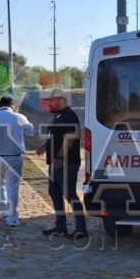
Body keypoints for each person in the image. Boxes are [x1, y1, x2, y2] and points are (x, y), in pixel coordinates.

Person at [36, 89, 87, 239]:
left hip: (66, 163)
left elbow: (71, 137)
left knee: (70, 195)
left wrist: (58, 157)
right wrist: (45, 147)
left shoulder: (69, 116)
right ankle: (60, 226)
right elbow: (55, 136)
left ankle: (81, 229)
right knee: (55, 193)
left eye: (51, 100)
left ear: (61, 99)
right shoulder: (58, 116)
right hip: (55, 162)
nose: (49, 104)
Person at [0, 96, 34, 227]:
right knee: (13, 187)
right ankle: (12, 217)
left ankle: (3, 211)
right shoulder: (19, 117)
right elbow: (31, 131)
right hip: (13, 157)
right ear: (13, 106)